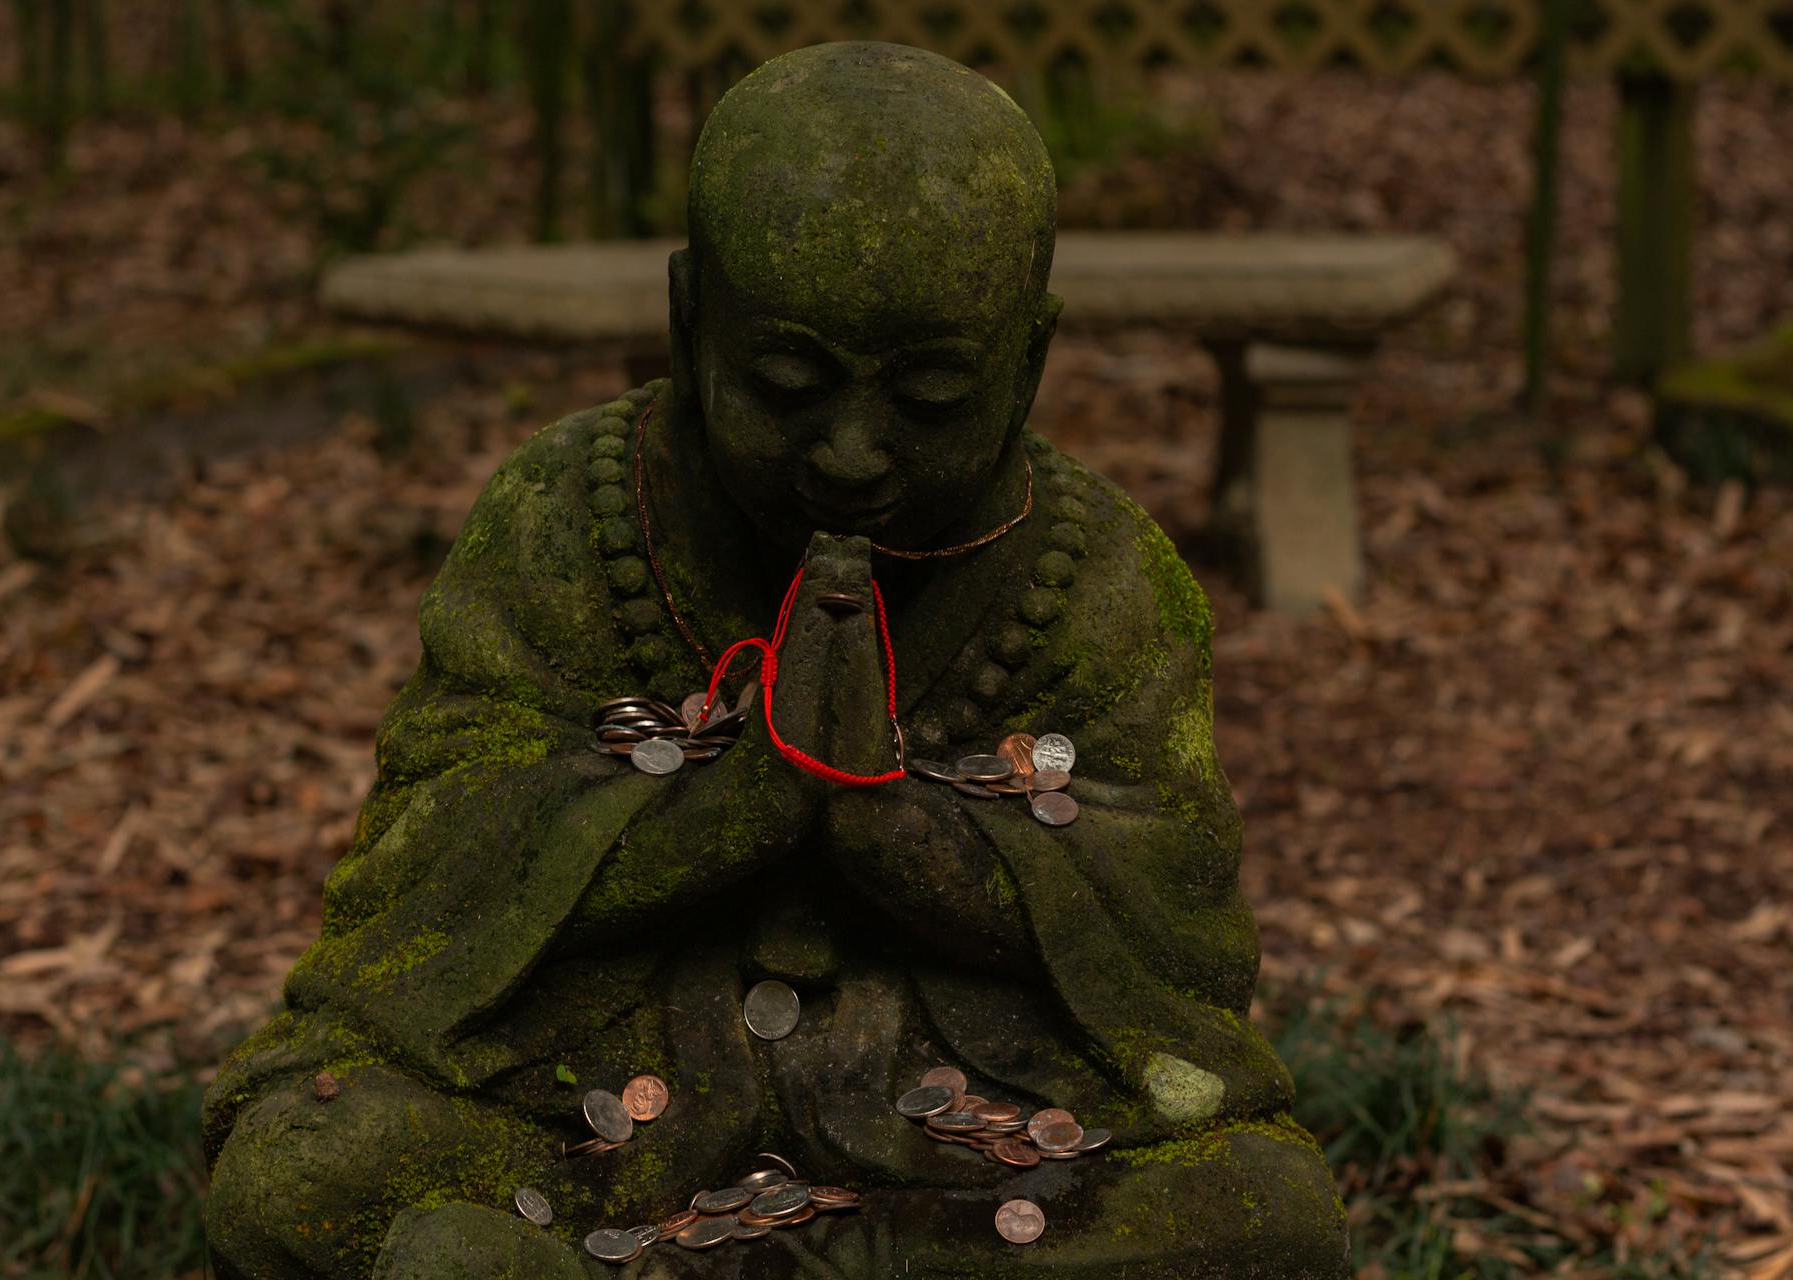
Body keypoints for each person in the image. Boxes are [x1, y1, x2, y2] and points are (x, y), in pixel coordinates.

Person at [202, 40, 1349, 1279]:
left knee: (1265, 1208)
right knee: (298, 1173)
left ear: (1029, 360)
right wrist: (735, 807)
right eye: (789, 382)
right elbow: (436, 856)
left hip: (969, 1131)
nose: (851, 453)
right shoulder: (572, 511)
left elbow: (1176, 918)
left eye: (929, 397)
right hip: (603, 1101)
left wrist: (894, 834)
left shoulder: (1099, 570)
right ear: (691, 320)